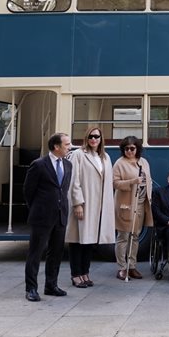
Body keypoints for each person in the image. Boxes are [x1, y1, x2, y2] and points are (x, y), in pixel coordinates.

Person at [23, 132, 73, 301]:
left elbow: (63, 190)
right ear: (56, 147)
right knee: (36, 253)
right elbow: (28, 191)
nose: (70, 147)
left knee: (56, 252)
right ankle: (31, 288)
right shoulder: (38, 165)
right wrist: (38, 209)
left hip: (60, 215)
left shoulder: (68, 165)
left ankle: (51, 285)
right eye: (67, 144)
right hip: (42, 216)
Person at [66, 127, 115, 288]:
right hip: (84, 204)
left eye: (97, 137)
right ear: (86, 138)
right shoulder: (78, 155)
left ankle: (85, 272)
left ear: (101, 139)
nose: (94, 139)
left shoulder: (105, 157)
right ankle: (76, 274)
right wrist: (77, 203)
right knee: (77, 241)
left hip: (98, 206)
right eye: (91, 136)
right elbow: (74, 180)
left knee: (89, 241)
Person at [113, 135, 153, 280]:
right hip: (126, 205)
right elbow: (115, 183)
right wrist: (132, 181)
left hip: (141, 203)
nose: (129, 151)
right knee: (123, 236)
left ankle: (132, 266)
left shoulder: (144, 162)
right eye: (126, 149)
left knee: (135, 236)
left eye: (132, 148)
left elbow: (149, 181)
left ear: (137, 148)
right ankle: (122, 267)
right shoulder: (119, 163)